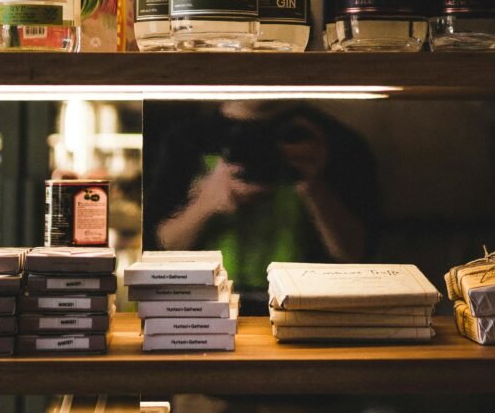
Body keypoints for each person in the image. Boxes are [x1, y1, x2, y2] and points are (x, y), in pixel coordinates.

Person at [143, 101, 379, 312]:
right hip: (204, 316)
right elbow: (160, 247)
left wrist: (314, 188)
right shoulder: (184, 139)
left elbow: (356, 256)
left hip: (305, 316)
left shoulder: (329, 141)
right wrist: (207, 204)